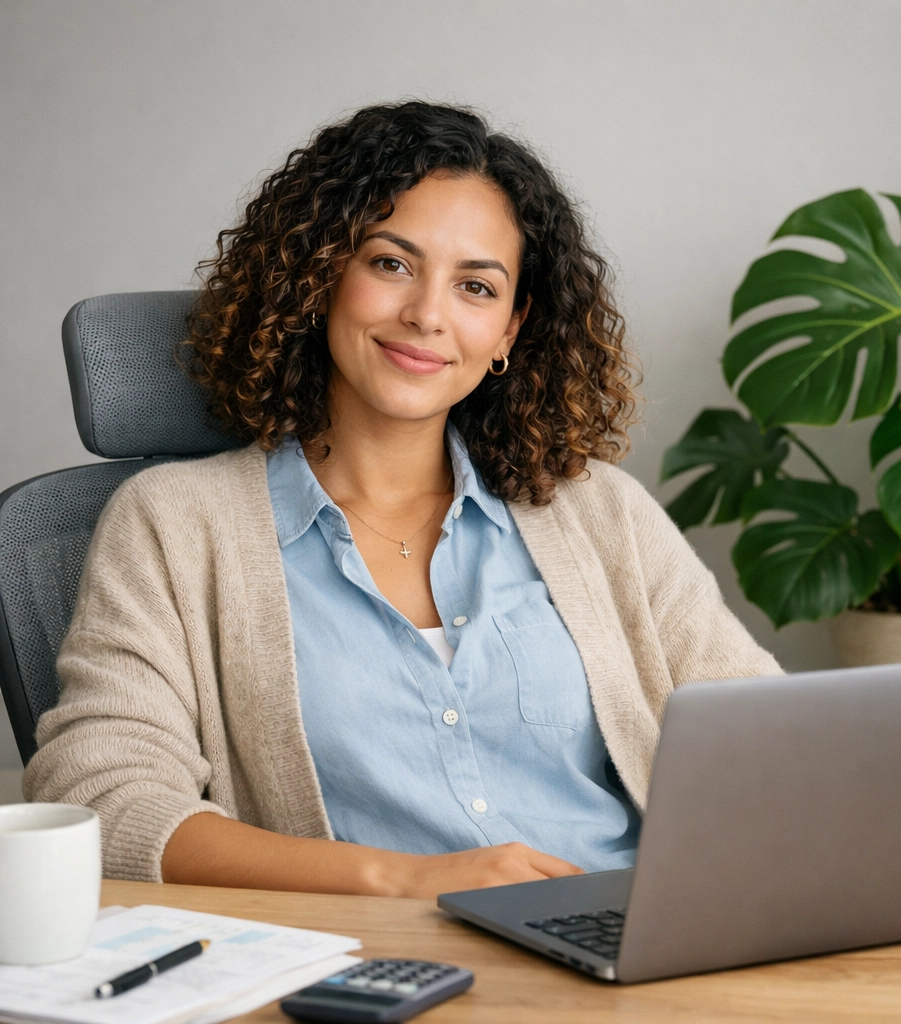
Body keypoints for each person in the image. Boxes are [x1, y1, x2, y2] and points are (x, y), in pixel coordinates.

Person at [25, 101, 780, 898]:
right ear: (321, 274)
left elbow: (769, 738)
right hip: (385, 969)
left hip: (640, 931)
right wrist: (400, 880)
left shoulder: (600, 514)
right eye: (391, 264)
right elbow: (102, 796)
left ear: (511, 329)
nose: (427, 314)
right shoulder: (176, 524)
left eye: (477, 287)